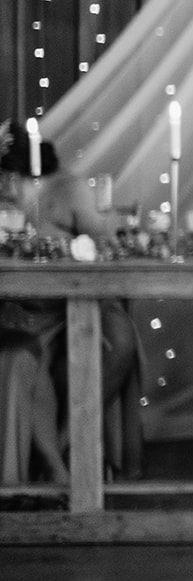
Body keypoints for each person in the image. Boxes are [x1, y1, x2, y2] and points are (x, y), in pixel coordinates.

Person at [0, 121, 143, 483]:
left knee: (121, 338)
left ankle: (65, 443)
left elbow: (102, 245)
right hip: (18, 307)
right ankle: (55, 465)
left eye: (11, 178)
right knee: (27, 358)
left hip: (70, 301)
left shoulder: (69, 188)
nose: (8, 187)